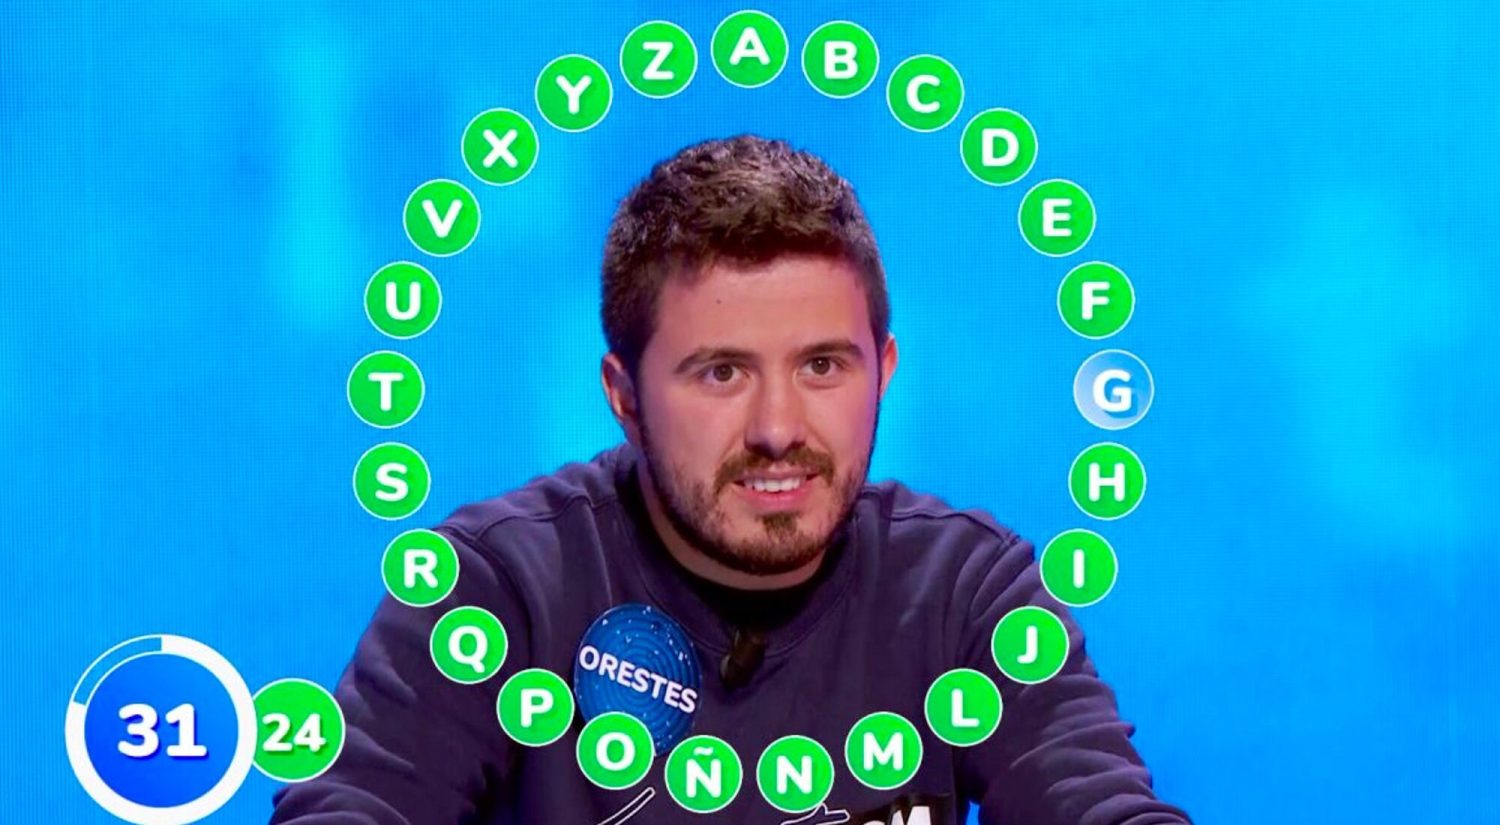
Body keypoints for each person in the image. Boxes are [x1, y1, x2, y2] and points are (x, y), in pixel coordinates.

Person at [270, 135, 1193, 825]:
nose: (778, 429)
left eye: (823, 366)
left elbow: (1101, 804)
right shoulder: (495, 588)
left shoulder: (968, 591)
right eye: (721, 372)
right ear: (624, 396)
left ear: (884, 370)